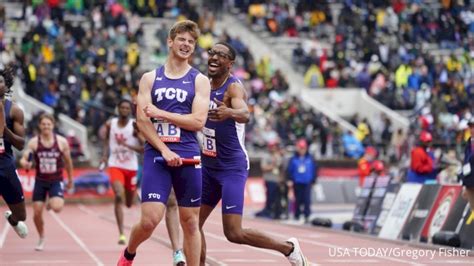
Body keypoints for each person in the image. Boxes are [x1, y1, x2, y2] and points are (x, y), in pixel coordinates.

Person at [199, 42, 308, 266]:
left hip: (231, 168)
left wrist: (229, 111)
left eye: (221, 55)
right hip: (208, 167)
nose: (214, 57)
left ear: (230, 64)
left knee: (234, 233)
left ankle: (288, 248)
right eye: (212, 52)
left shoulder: (233, 87)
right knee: (191, 224)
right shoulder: (202, 86)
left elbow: (244, 114)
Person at [117, 20, 210, 266]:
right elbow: (142, 121)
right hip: (157, 156)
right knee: (149, 220)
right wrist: (165, 149)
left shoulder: (199, 80)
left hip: (189, 155)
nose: (186, 45)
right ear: (170, 41)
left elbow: (198, 121)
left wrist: (163, 113)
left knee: (190, 222)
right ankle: (129, 253)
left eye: (191, 42)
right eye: (182, 39)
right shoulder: (150, 78)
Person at [19, 113, 73, 251]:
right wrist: (25, 162)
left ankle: (51, 201)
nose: (46, 126)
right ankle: (41, 236)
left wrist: (70, 180)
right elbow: (25, 157)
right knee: (36, 212)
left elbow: (68, 162)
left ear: (53, 126)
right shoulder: (34, 142)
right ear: (39, 126)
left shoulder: (61, 142)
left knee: (57, 207)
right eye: (43, 124)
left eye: (48, 124)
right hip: (40, 181)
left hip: (56, 180)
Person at [101, 99, 144, 245]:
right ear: (117, 109)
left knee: (129, 202)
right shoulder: (110, 124)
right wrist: (105, 155)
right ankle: (121, 234)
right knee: (118, 195)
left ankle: (131, 197)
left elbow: (143, 149)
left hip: (131, 166)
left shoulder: (134, 125)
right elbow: (106, 141)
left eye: (127, 108)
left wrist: (131, 142)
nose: (124, 110)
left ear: (130, 110)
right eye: (122, 107)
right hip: (115, 164)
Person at [0, 64, 28, 239]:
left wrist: (5, 131)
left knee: (22, 216)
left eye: (0, 81)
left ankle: (13, 220)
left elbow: (20, 144)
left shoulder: (15, 110)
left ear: (6, 85)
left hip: (5, 165)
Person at [287, 138, 318, 224]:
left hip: (307, 181)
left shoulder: (310, 158)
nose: (302, 150)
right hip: (297, 181)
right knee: (298, 199)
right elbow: (289, 170)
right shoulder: (293, 159)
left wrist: (314, 180)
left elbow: (315, 169)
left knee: (307, 199)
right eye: (300, 148)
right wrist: (290, 179)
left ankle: (307, 215)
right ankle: (297, 214)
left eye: (303, 148)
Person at [461, 118, 474, 212]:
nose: (472, 129)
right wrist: (464, 185)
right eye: (470, 126)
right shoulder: (469, 143)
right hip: (470, 183)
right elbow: (466, 163)